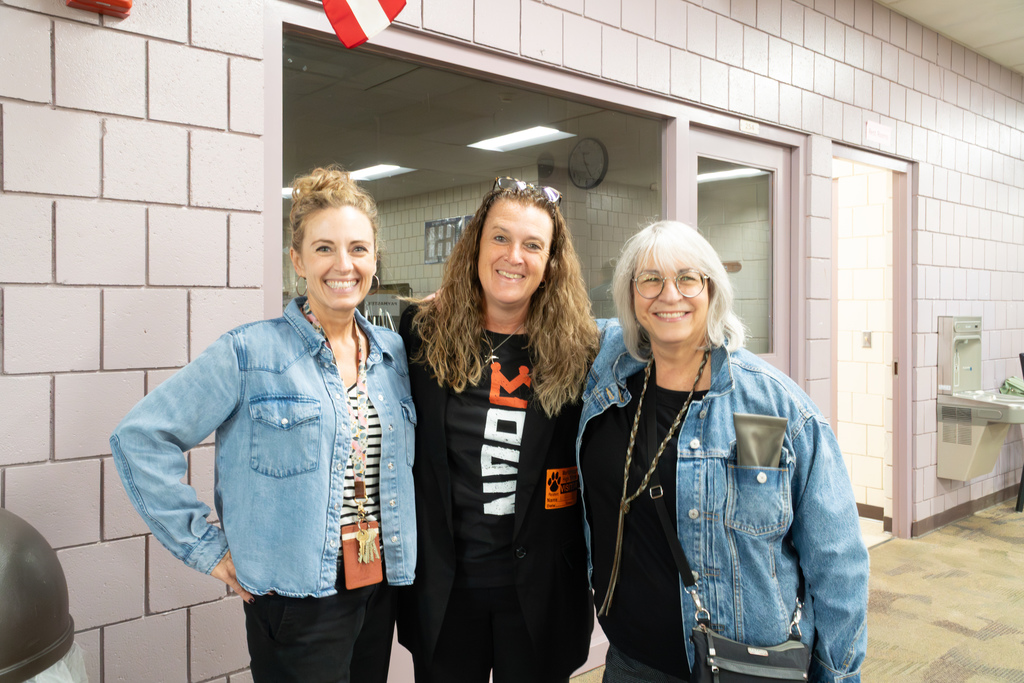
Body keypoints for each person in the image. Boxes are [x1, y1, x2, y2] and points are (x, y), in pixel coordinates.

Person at [109, 167, 416, 683]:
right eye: (324, 249)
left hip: (377, 584)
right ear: (297, 261)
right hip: (297, 599)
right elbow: (140, 437)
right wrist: (209, 550)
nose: (344, 264)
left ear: (374, 259)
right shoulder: (249, 351)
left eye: (358, 249)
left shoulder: (391, 353)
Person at [576, 221, 869, 682]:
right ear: (631, 295)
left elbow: (837, 560)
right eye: (650, 279)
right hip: (633, 664)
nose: (669, 295)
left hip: (748, 665)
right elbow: (537, 320)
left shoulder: (771, 409)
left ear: (711, 289)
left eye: (687, 278)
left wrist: (838, 674)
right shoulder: (608, 379)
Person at [397, 177, 598, 683]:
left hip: (540, 596)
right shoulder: (420, 334)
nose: (514, 255)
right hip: (445, 593)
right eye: (500, 238)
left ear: (551, 263)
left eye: (533, 244)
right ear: (476, 245)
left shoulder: (582, 353)